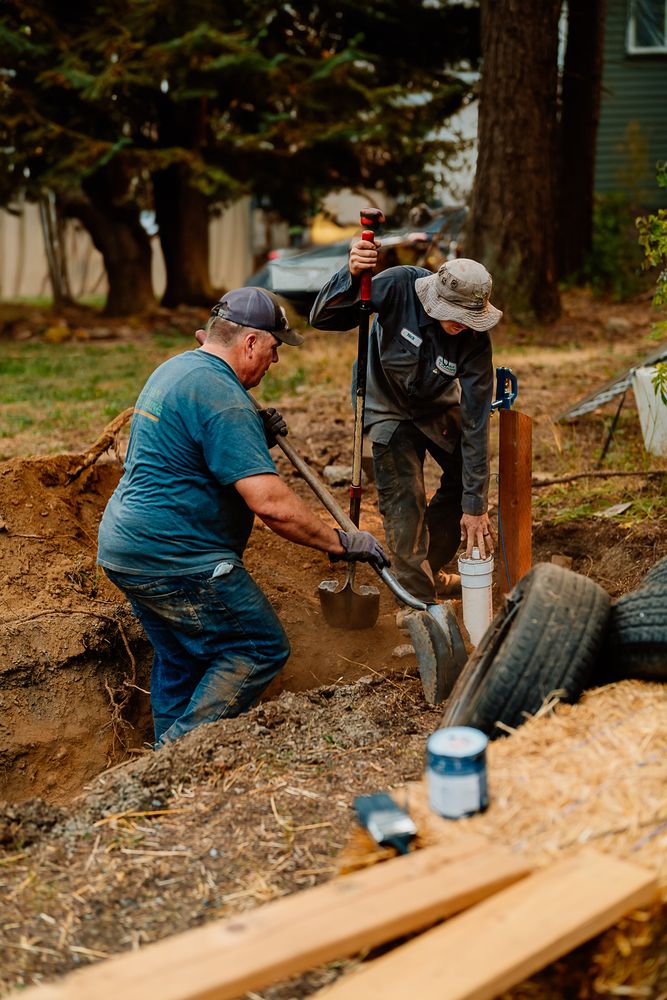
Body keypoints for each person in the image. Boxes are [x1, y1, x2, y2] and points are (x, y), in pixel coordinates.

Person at [97, 287, 388, 748]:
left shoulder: (178, 369)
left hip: (126, 547)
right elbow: (271, 505)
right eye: (273, 349)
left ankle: (157, 756)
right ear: (250, 342)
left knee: (182, 659)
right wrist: (340, 541)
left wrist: (251, 434)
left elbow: (187, 452)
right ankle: (174, 755)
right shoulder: (224, 399)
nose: (275, 362)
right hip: (176, 558)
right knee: (257, 647)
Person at [310, 239, 502, 618]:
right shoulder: (399, 286)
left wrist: (475, 507)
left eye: (467, 320)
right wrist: (350, 276)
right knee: (405, 498)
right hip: (385, 405)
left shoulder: (475, 341)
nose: (458, 326)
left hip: (435, 407)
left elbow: (477, 421)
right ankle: (417, 604)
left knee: (467, 478)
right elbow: (323, 318)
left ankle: (426, 568)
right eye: (452, 316)